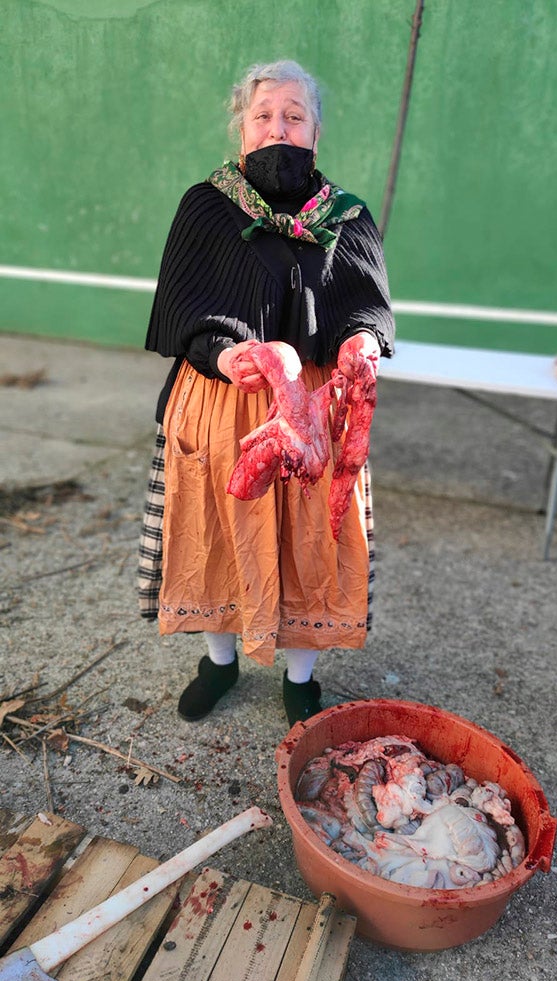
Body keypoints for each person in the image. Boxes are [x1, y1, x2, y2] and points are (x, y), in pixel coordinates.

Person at [138, 60, 394, 727]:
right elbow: (182, 303)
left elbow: (366, 303)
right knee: (217, 534)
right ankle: (219, 662)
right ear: (242, 127)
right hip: (223, 397)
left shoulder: (349, 215)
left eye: (293, 114)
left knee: (314, 544)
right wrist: (226, 352)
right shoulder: (206, 204)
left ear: (316, 131)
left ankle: (301, 677)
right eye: (263, 114)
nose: (277, 125)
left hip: (315, 411)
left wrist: (363, 340)